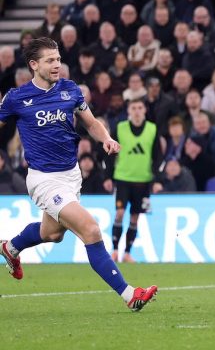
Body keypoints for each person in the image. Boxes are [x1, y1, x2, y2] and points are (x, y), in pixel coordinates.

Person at [0, 37, 157, 311]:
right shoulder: (16, 98)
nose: (56, 65)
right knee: (91, 230)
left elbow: (91, 122)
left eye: (58, 59)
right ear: (34, 65)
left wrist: (106, 138)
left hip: (71, 175)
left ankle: (10, 247)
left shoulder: (70, 90)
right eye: (50, 60)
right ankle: (130, 295)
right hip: (44, 179)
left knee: (52, 234)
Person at [104, 98, 161, 263]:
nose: (137, 111)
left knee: (135, 217)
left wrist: (157, 180)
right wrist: (108, 176)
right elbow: (110, 153)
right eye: (133, 108)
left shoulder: (152, 129)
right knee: (120, 213)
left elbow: (158, 156)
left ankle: (127, 253)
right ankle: (115, 250)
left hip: (143, 181)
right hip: (123, 178)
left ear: (145, 110)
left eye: (140, 108)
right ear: (128, 111)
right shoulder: (120, 128)